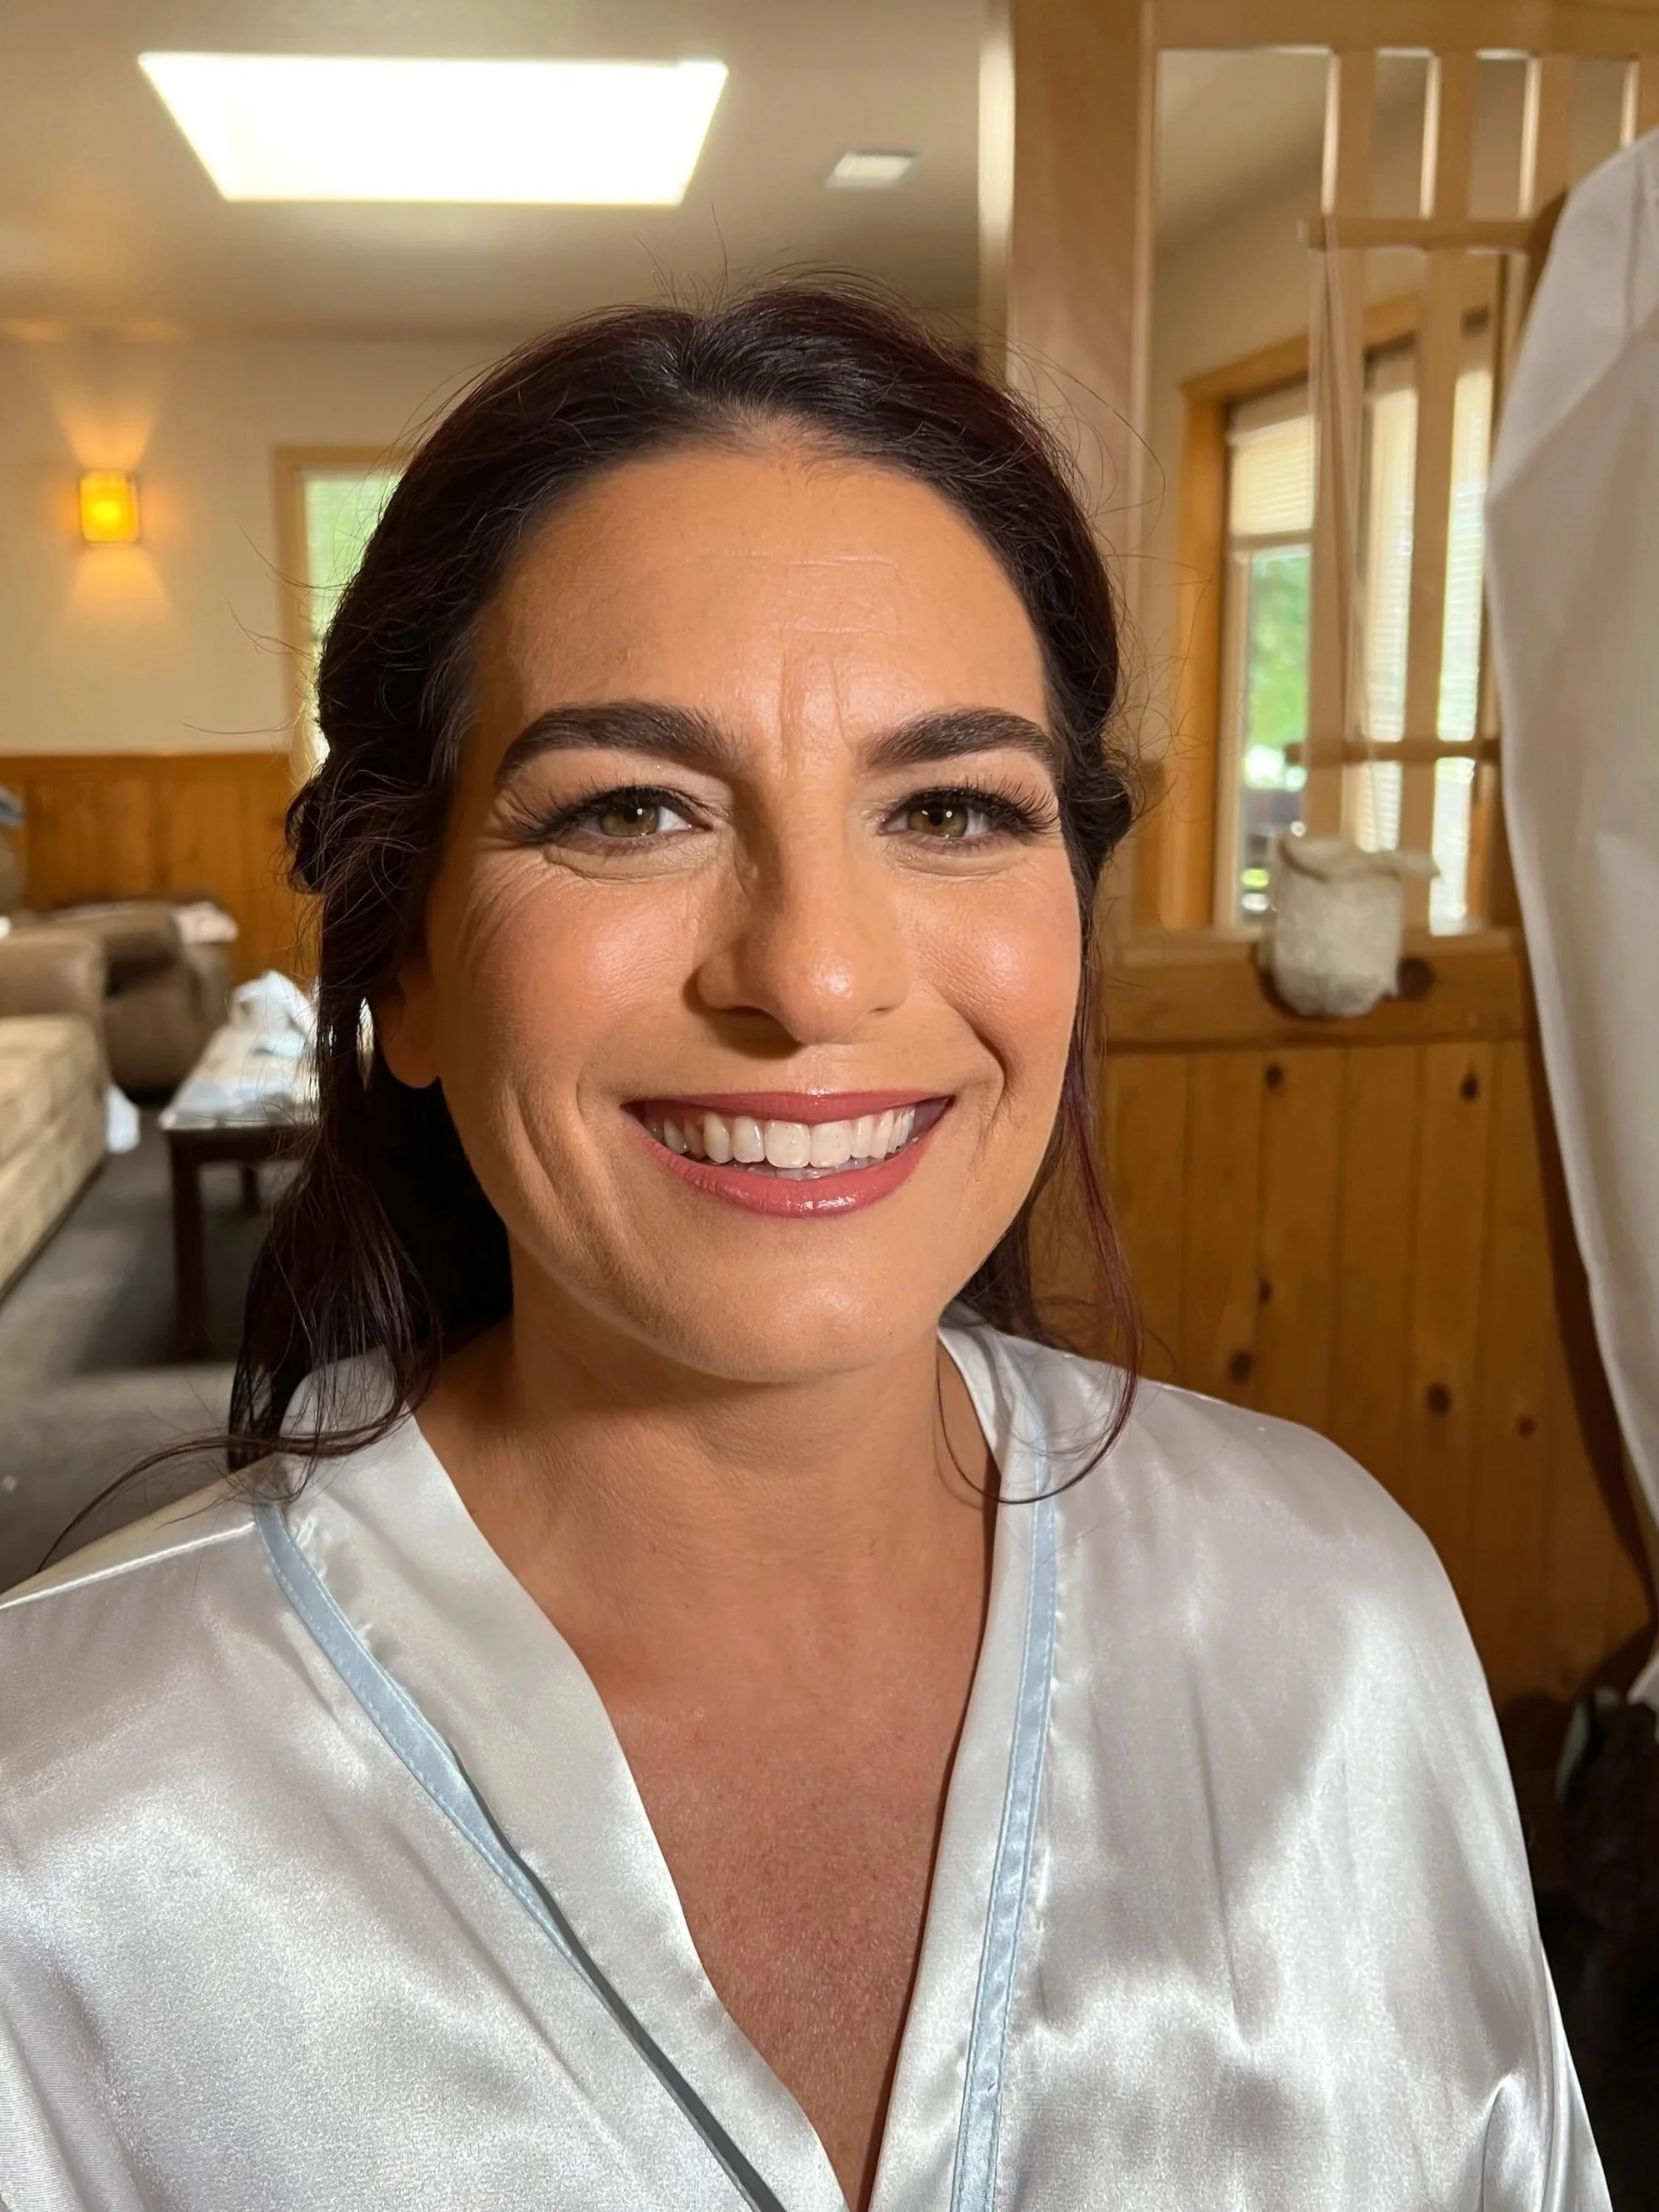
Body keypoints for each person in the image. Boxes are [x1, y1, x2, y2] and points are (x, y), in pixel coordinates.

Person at [0, 287, 1605, 2211]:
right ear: (402, 957)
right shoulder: (63, 1818)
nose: (816, 973)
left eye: (947, 805)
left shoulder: (1332, 1621)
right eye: (630, 808)